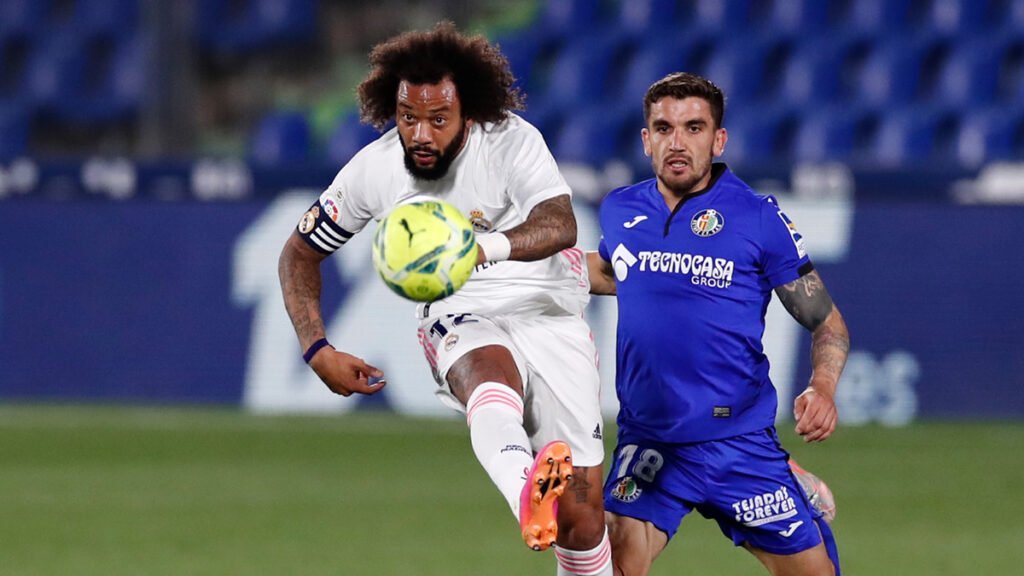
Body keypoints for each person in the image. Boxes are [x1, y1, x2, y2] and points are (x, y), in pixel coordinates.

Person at [278, 22, 612, 576]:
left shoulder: (510, 141)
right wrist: (317, 348)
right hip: (460, 308)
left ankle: (546, 502)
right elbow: (298, 253)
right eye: (408, 117)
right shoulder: (376, 169)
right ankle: (525, 491)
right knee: (487, 374)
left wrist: (476, 250)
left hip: (549, 307)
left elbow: (559, 225)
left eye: (438, 119)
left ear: (469, 113)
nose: (421, 134)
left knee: (582, 518)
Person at [587, 72, 849, 576]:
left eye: (694, 127)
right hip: (652, 440)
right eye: (663, 128)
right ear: (646, 140)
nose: (677, 142)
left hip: (738, 445)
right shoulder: (621, 209)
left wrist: (822, 387)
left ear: (718, 139)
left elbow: (828, 323)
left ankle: (786, 478)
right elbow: (610, 270)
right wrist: (503, 265)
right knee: (613, 561)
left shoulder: (757, 218)